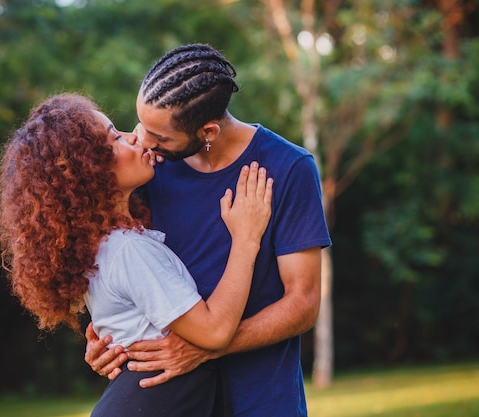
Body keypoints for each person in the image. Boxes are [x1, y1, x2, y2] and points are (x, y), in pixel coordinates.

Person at [84, 43, 332, 416]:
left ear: (207, 131)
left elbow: (303, 303)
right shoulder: (151, 170)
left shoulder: (289, 168)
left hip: (262, 400)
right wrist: (109, 338)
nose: (143, 143)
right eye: (141, 126)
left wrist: (206, 347)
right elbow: (126, 268)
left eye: (160, 137)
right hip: (177, 401)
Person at [0, 92, 273, 417]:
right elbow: (214, 331)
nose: (135, 136)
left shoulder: (104, 248)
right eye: (116, 138)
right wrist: (246, 238)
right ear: (91, 173)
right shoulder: (127, 250)